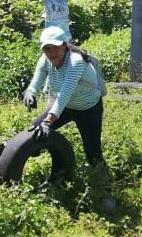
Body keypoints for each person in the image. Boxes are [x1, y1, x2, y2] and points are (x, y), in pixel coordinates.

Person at [22, 25, 105, 170]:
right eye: (47, 48)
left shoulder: (75, 61)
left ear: (65, 45)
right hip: (67, 107)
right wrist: (30, 92)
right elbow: (37, 80)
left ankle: (105, 183)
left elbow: (63, 96)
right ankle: (57, 171)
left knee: (93, 153)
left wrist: (48, 122)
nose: (52, 52)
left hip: (88, 108)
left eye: (55, 47)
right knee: (36, 129)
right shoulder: (45, 59)